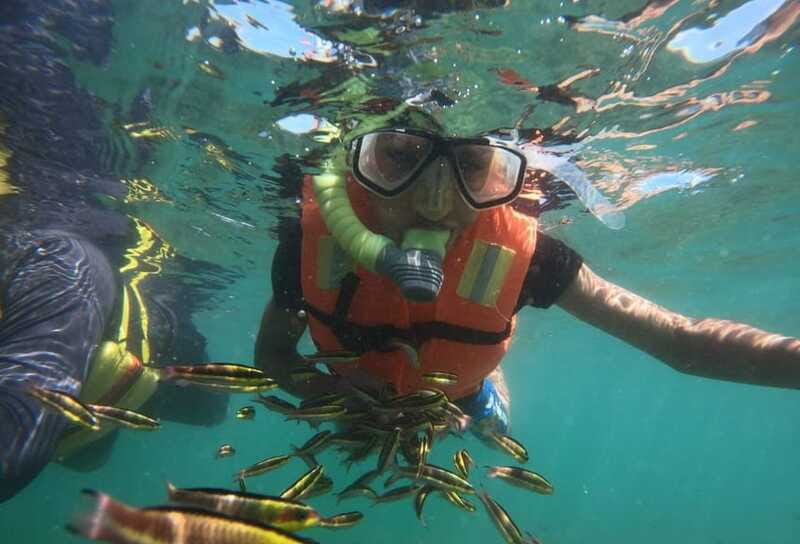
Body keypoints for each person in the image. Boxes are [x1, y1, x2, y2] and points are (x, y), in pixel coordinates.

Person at [254, 104, 800, 438]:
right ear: (360, 162)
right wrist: (329, 396)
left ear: (500, 173)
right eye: (399, 157)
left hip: (460, 391)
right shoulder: (308, 243)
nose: (434, 201)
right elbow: (273, 355)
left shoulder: (531, 258)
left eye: (470, 167)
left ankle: (486, 392)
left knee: (494, 430)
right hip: (356, 396)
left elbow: (681, 342)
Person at [0, 0, 227, 502]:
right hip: (84, 398)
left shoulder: (58, 263)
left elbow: (17, 439)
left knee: (209, 406)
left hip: (152, 345)